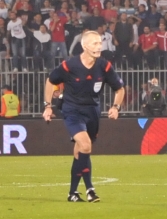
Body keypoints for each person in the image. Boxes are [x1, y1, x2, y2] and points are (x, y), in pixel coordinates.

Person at [42, 30, 125, 202]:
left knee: (81, 150)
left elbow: (119, 89)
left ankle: (73, 193)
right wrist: (47, 106)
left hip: (92, 112)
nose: (99, 46)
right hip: (72, 110)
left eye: (100, 43)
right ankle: (90, 189)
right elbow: (50, 81)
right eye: (95, 43)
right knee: (86, 145)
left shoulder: (104, 66)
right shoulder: (70, 65)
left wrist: (116, 107)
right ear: (84, 46)